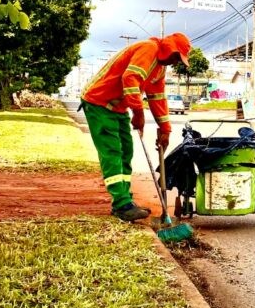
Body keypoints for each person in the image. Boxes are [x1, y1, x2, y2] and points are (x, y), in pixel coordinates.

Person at [81, 32, 192, 222]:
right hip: (99, 103)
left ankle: (125, 202)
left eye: (178, 60)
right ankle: (122, 203)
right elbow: (130, 79)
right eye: (175, 57)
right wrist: (138, 113)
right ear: (169, 48)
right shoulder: (149, 49)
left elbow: (158, 99)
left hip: (118, 107)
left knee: (126, 151)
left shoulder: (159, 69)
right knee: (113, 152)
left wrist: (165, 129)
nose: (175, 62)